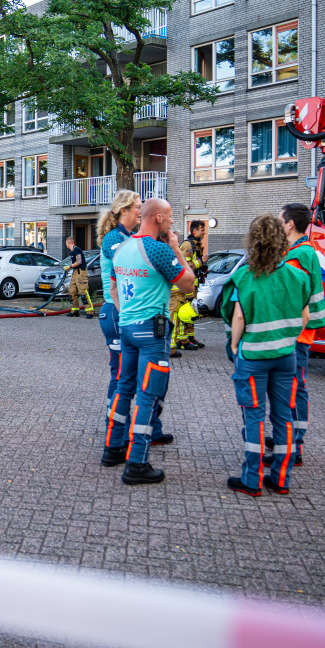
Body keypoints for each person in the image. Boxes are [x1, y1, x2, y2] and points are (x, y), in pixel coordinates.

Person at [220, 215, 310, 496]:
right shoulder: (297, 275)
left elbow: (238, 317)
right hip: (286, 355)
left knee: (254, 417)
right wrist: (288, 338)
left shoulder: (245, 275)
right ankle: (281, 479)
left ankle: (252, 480)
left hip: (254, 357)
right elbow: (305, 316)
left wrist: (235, 346)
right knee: (283, 417)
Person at [110, 198, 195, 485]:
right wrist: (175, 249)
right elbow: (189, 283)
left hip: (127, 327)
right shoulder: (158, 250)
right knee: (148, 395)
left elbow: (112, 286)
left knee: (124, 387)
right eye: (170, 217)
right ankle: (137, 462)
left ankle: (112, 448)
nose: (172, 223)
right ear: (157, 218)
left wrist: (126, 316)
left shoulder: (122, 248)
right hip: (152, 333)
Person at [272, 203, 325, 467]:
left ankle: (293, 443)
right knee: (294, 387)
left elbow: (292, 297)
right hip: (299, 333)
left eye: (280, 221)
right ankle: (291, 438)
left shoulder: (299, 255)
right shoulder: (300, 251)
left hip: (295, 334)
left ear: (290, 224)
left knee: (292, 389)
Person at [96, 190, 141, 467]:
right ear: (123, 210)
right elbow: (125, 265)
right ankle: (115, 434)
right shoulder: (115, 239)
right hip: (115, 312)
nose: (140, 211)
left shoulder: (126, 237)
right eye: (137, 207)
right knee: (121, 376)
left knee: (128, 376)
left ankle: (134, 430)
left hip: (124, 311)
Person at [172, 220, 207, 352]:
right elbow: (187, 266)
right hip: (187, 285)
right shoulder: (188, 245)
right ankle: (182, 339)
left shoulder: (196, 244)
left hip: (194, 284)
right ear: (194, 231)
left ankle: (190, 337)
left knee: (191, 310)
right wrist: (200, 262)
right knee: (184, 311)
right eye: (202, 230)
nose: (204, 232)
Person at [64, 236, 93, 318]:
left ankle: (90, 311)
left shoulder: (76, 249)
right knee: (72, 291)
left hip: (81, 272)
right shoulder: (72, 251)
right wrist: (68, 268)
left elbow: (79, 261)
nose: (66, 244)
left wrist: (70, 266)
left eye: (66, 243)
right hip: (75, 272)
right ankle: (75, 310)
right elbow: (74, 263)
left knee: (83, 292)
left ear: (68, 242)